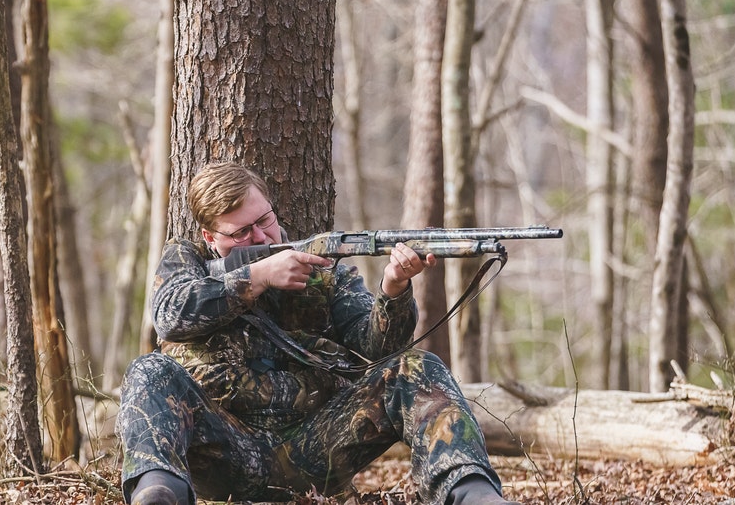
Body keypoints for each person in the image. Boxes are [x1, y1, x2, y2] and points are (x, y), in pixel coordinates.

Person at [117, 161, 518, 505]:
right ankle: (157, 493)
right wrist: (256, 277)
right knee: (148, 371)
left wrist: (393, 289)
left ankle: (471, 491)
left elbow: (378, 350)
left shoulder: (322, 269)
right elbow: (170, 314)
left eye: (264, 221)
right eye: (241, 232)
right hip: (225, 454)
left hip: (314, 450)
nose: (260, 237)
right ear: (210, 238)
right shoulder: (185, 260)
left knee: (417, 368)